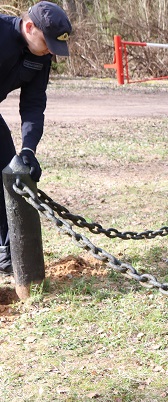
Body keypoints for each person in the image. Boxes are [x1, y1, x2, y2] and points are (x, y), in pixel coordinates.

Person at [0, 1, 72, 275]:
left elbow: (33, 104)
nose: (50, 51)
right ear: (30, 27)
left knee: (9, 173)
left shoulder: (41, 56)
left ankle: (7, 253)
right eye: (48, 43)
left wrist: (28, 149)